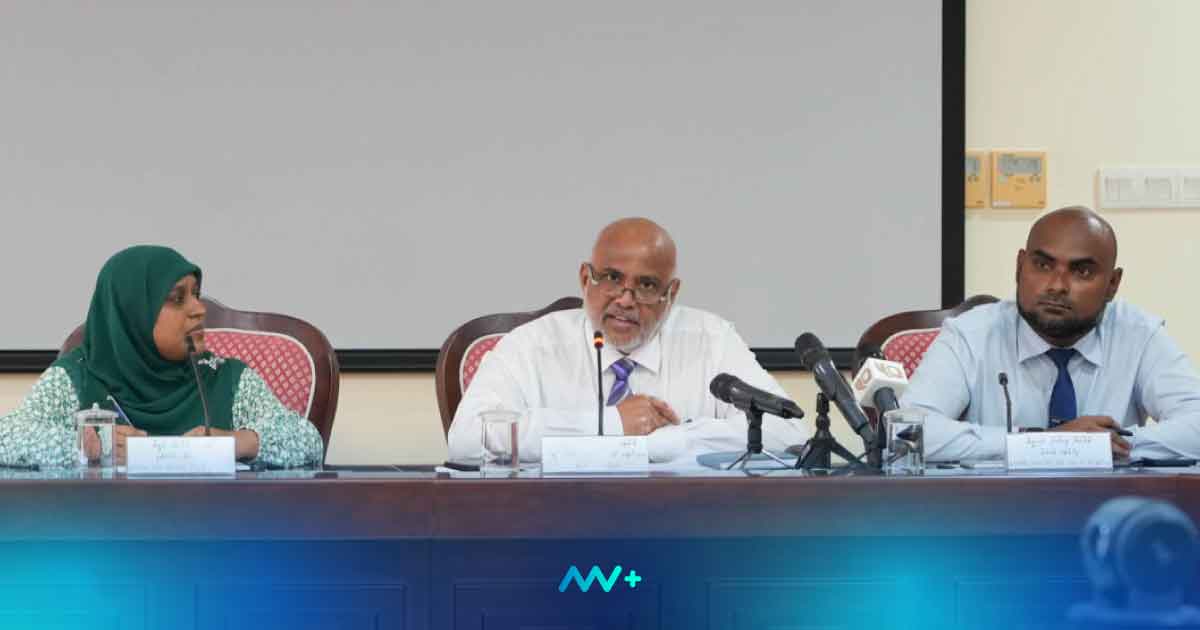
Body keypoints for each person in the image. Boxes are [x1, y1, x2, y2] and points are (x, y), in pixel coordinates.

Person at [446, 217, 809, 463]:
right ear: (585, 278)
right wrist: (613, 426)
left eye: (646, 285)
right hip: (556, 522)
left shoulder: (711, 340)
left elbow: (789, 431)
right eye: (611, 279)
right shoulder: (533, 345)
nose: (625, 299)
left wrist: (666, 441)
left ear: (672, 293)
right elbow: (467, 438)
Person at [901, 206, 1200, 462]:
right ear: (1019, 267)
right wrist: (1044, 444)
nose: (1057, 285)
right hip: (995, 507)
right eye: (1042, 265)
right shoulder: (971, 334)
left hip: (1109, 507)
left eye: (1082, 272)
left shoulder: (1138, 335)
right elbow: (906, 432)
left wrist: (1104, 445)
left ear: (1112, 284)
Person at [0, 246, 324, 468]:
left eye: (196, 294)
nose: (199, 309)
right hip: (102, 537)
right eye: (177, 299)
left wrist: (234, 443)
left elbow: (307, 440)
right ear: (132, 314)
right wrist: (86, 448)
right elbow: (6, 438)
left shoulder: (224, 377)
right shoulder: (78, 377)